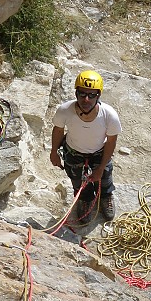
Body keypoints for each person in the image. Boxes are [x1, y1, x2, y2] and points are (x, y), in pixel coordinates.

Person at [50, 69, 121, 222]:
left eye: (91, 95)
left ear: (98, 96)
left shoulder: (109, 116)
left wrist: (100, 168)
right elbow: (58, 130)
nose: (86, 99)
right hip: (73, 152)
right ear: (76, 93)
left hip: (99, 152)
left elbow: (111, 142)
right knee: (77, 180)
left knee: (104, 177)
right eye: (82, 94)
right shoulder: (65, 111)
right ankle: (85, 198)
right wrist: (54, 152)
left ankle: (105, 195)